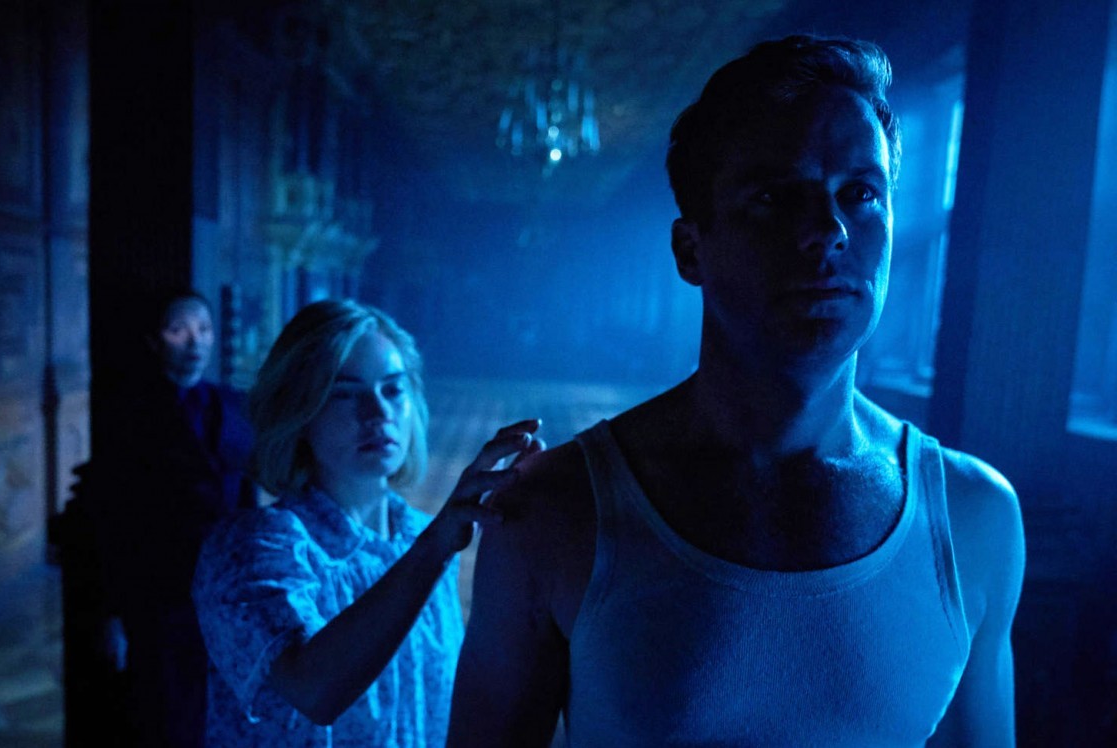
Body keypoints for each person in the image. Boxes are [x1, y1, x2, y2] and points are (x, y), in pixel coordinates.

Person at [448, 34, 1025, 747]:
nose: (828, 232)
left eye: (860, 194)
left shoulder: (973, 516)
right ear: (691, 249)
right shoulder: (555, 510)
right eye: (775, 198)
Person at [191, 299, 543, 747]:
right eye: (344, 393)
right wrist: (433, 549)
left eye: (393, 390)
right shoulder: (253, 548)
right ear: (298, 408)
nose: (377, 413)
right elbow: (313, 690)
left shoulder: (419, 536)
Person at [86, 289, 257, 747]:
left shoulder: (233, 405)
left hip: (222, 589)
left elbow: (246, 500)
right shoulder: (128, 415)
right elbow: (112, 519)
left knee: (219, 707)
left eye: (203, 329)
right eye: (178, 330)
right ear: (154, 340)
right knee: (164, 713)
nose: (194, 341)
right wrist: (110, 612)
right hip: (157, 591)